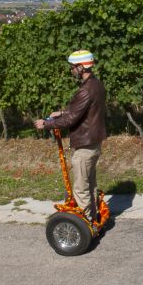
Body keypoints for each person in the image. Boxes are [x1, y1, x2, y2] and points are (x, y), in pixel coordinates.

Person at [34, 50, 107, 221]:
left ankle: (86, 225)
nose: (71, 70)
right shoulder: (97, 84)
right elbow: (84, 111)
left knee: (81, 188)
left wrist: (46, 124)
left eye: (73, 67)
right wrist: (62, 112)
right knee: (90, 185)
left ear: (82, 67)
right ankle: (94, 218)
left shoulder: (85, 90)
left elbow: (70, 120)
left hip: (84, 146)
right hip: (94, 142)